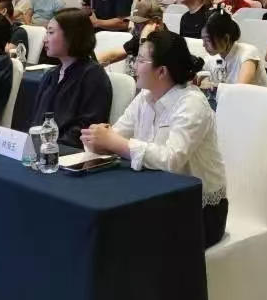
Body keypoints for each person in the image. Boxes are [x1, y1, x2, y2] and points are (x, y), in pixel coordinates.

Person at [82, 30, 228, 247]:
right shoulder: (145, 97)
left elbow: (171, 160)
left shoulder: (191, 103)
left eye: (141, 60)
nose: (134, 66)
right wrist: (98, 139)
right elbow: (116, 135)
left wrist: (114, 143)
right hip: (155, 196)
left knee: (124, 239)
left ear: (161, 71)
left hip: (199, 210)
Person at [28, 9, 112, 147]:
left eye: (51, 32)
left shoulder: (93, 76)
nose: (45, 40)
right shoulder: (51, 75)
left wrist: (51, 146)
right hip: (44, 148)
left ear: (72, 36)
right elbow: (37, 120)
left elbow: (87, 128)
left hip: (69, 151)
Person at [201, 11, 267, 87]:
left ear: (226, 38)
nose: (203, 45)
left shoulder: (248, 53)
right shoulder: (212, 57)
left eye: (208, 40)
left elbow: (240, 89)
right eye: (203, 40)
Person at [98, 2, 164, 70]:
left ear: (157, 22)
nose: (135, 28)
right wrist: (93, 63)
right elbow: (113, 55)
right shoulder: (139, 38)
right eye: (134, 24)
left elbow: (148, 69)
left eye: (139, 24)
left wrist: (144, 39)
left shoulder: (167, 44)